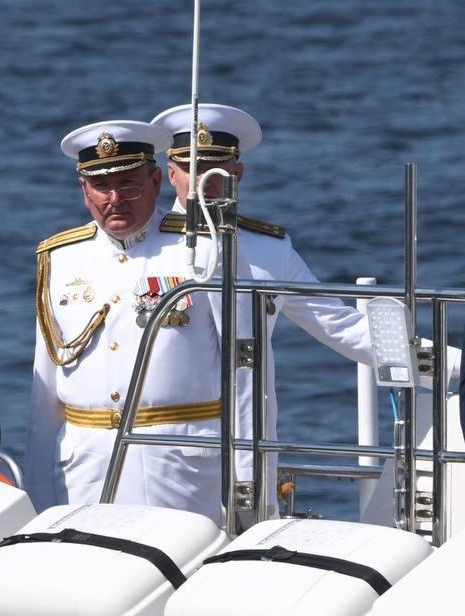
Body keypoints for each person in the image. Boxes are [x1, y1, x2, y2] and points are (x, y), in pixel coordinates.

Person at [149, 103, 460, 495]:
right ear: (171, 174)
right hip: (156, 449)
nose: (204, 179)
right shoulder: (146, 246)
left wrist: (453, 366)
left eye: (216, 167)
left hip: (249, 443)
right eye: (192, 167)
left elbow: (339, 325)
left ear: (237, 173)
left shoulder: (269, 249)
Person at [23, 121, 231, 523]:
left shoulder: (202, 249)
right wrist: (38, 493)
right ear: (84, 190)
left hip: (180, 469)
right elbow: (45, 389)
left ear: (156, 182)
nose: (115, 199)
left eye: (129, 185)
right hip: (84, 469)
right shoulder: (60, 258)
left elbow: (242, 376)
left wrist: (247, 475)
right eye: (101, 186)